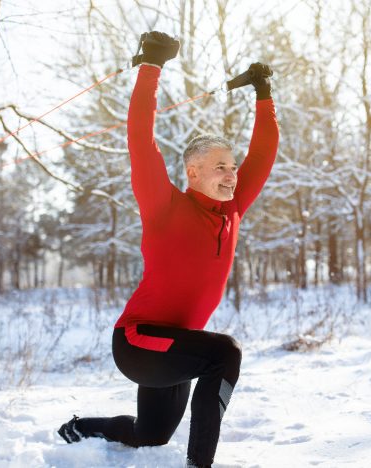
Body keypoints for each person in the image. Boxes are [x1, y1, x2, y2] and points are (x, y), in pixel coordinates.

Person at [58, 31, 279, 468]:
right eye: (220, 166)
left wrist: (264, 94)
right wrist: (151, 67)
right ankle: (200, 464)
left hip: (178, 346)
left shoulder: (231, 211)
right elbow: (142, 140)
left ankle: (82, 427)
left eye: (233, 167)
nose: (232, 174)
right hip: (138, 343)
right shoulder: (165, 206)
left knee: (152, 434)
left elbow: (265, 153)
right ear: (192, 172)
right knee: (226, 352)